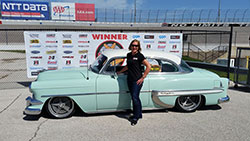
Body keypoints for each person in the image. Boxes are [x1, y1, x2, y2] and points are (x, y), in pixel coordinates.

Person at [118, 39, 151, 125]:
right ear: (131, 46)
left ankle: (135, 117)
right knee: (135, 97)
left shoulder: (140, 56)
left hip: (137, 80)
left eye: (136, 46)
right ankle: (139, 114)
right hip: (129, 79)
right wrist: (120, 71)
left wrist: (143, 77)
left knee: (135, 97)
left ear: (138, 47)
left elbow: (148, 66)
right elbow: (128, 66)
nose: (134, 47)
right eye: (133, 45)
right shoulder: (128, 55)